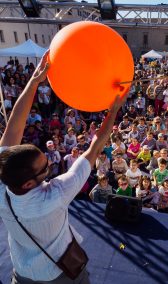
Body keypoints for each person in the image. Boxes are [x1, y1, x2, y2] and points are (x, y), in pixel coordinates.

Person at [0, 51, 128, 284]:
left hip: (22, 273)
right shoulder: (55, 195)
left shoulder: (4, 180)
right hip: (60, 275)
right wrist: (114, 110)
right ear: (29, 183)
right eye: (45, 169)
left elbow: (12, 129)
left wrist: (34, 82)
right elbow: (94, 149)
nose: (50, 166)